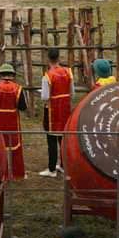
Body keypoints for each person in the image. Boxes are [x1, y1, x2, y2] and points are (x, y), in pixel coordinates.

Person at [0, 63, 28, 180]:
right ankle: (17, 173)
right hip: (13, 121)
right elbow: (23, 107)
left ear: (0, 75)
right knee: (15, 147)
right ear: (12, 75)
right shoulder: (18, 88)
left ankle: (0, 174)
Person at [39, 47, 73, 178]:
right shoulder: (68, 72)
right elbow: (72, 92)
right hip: (65, 108)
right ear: (59, 57)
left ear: (48, 59)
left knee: (51, 139)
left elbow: (45, 96)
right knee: (63, 137)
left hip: (52, 110)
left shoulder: (48, 75)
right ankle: (64, 166)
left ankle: (52, 169)